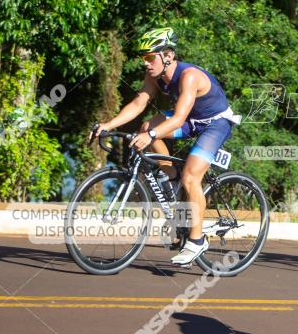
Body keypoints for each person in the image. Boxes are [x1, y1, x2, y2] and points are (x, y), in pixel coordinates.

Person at [91, 27, 239, 266]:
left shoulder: (188, 76)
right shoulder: (154, 76)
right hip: (192, 119)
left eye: (150, 57)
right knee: (147, 126)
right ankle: (170, 175)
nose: (146, 63)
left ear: (167, 55)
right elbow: (139, 103)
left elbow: (178, 119)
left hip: (215, 123)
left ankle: (197, 240)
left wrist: (151, 135)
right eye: (143, 58)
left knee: (191, 177)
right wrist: (108, 124)